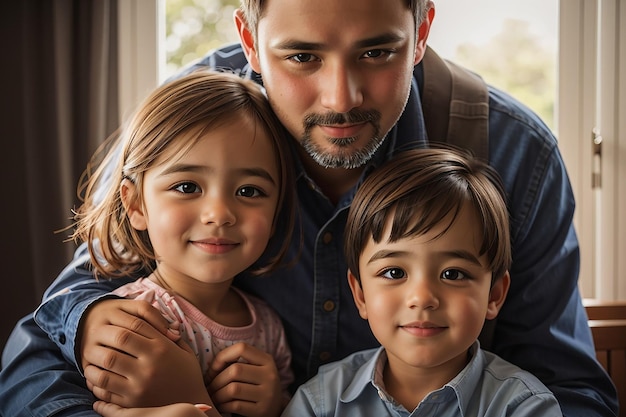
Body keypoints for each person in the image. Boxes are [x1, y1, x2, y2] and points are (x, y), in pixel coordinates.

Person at [0, 1, 618, 416]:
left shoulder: (514, 154)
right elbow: (40, 347)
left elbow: (573, 393)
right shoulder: (193, 123)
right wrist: (95, 330)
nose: (340, 97)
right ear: (248, 38)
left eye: (377, 53)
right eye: (301, 57)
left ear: (423, 30)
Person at [43, 70, 298, 417]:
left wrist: (276, 404)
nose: (219, 214)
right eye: (187, 187)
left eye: (249, 191)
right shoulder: (130, 322)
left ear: (276, 211)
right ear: (135, 205)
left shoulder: (269, 326)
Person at [282, 147, 562, 416]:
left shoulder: (523, 407)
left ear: (494, 295)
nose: (422, 297)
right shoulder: (319, 404)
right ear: (361, 294)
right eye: (394, 273)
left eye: (453, 274)